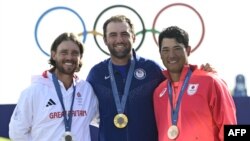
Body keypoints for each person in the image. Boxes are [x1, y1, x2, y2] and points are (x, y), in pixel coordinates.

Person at [87, 15, 214, 141]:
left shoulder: (152, 69)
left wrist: (200, 72)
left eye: (124, 34)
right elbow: (80, 100)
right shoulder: (96, 74)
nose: (119, 39)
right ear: (105, 40)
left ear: (134, 37)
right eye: (113, 35)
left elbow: (178, 83)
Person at [9, 32, 98, 141]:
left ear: (80, 57)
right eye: (64, 52)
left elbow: (101, 119)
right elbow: (17, 133)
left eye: (75, 53)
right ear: (54, 55)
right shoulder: (34, 91)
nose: (69, 57)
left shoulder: (86, 90)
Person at [153, 26, 237, 141]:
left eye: (177, 48)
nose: (171, 55)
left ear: (188, 50)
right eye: (165, 50)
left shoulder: (210, 81)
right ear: (160, 54)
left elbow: (231, 128)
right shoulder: (158, 92)